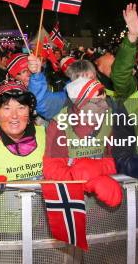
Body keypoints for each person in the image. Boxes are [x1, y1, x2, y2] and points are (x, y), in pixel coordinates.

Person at [43, 78, 123, 207]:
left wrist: (98, 169)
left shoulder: (111, 118)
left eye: (105, 99)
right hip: (70, 199)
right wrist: (80, 178)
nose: (105, 106)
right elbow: (51, 168)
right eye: (97, 102)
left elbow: (118, 157)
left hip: (101, 196)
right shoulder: (60, 124)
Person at [28, 54, 97, 120]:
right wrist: (36, 76)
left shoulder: (105, 95)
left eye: (90, 78)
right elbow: (41, 101)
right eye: (81, 80)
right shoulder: (67, 98)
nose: (87, 84)